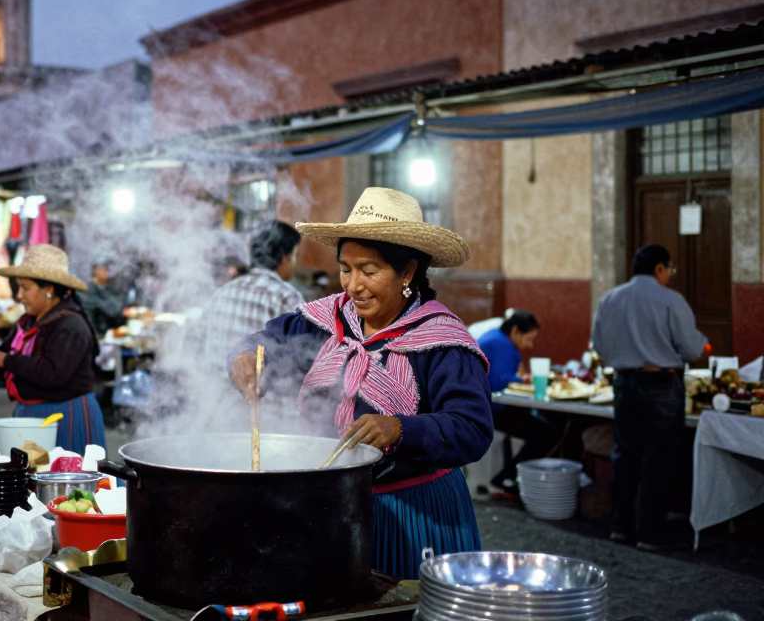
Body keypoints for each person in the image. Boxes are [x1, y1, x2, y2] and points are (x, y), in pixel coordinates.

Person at [229, 188, 492, 580]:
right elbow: (266, 339)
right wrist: (246, 356)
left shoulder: (442, 341)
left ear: (408, 272)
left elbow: (472, 428)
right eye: (346, 268)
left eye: (369, 271)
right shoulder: (326, 319)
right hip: (331, 504)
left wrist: (401, 428)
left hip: (414, 509)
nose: (353, 285)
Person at [592, 243, 706, 551]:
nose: (670, 274)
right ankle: (650, 535)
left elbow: (599, 346)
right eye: (670, 269)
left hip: (624, 384)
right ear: (659, 268)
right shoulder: (671, 300)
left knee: (625, 455)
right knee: (659, 459)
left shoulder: (609, 299)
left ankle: (620, 527)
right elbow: (691, 349)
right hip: (661, 385)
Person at [0, 244, 106, 455]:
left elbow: (52, 373)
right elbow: (6, 356)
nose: (19, 296)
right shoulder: (27, 321)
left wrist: (5, 360)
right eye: (19, 288)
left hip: (66, 417)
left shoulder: (72, 326)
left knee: (70, 482)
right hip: (30, 415)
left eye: (25, 288)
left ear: (49, 290)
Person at [478, 310, 560, 493]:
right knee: (547, 434)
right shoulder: (500, 344)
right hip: (488, 410)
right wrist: (525, 380)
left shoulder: (496, 338)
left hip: (487, 405)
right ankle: (507, 479)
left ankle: (511, 477)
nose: (529, 345)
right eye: (529, 339)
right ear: (515, 331)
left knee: (541, 425)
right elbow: (499, 382)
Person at [202, 221, 305, 363]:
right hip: (259, 385)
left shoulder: (222, 293)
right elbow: (304, 357)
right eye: (295, 255)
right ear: (284, 259)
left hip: (209, 384)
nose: (296, 263)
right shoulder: (286, 297)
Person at [80, 260, 128, 336]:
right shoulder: (89, 290)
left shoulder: (105, 288)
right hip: (95, 333)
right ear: (97, 270)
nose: (108, 272)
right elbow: (111, 310)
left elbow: (117, 305)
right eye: (105, 270)